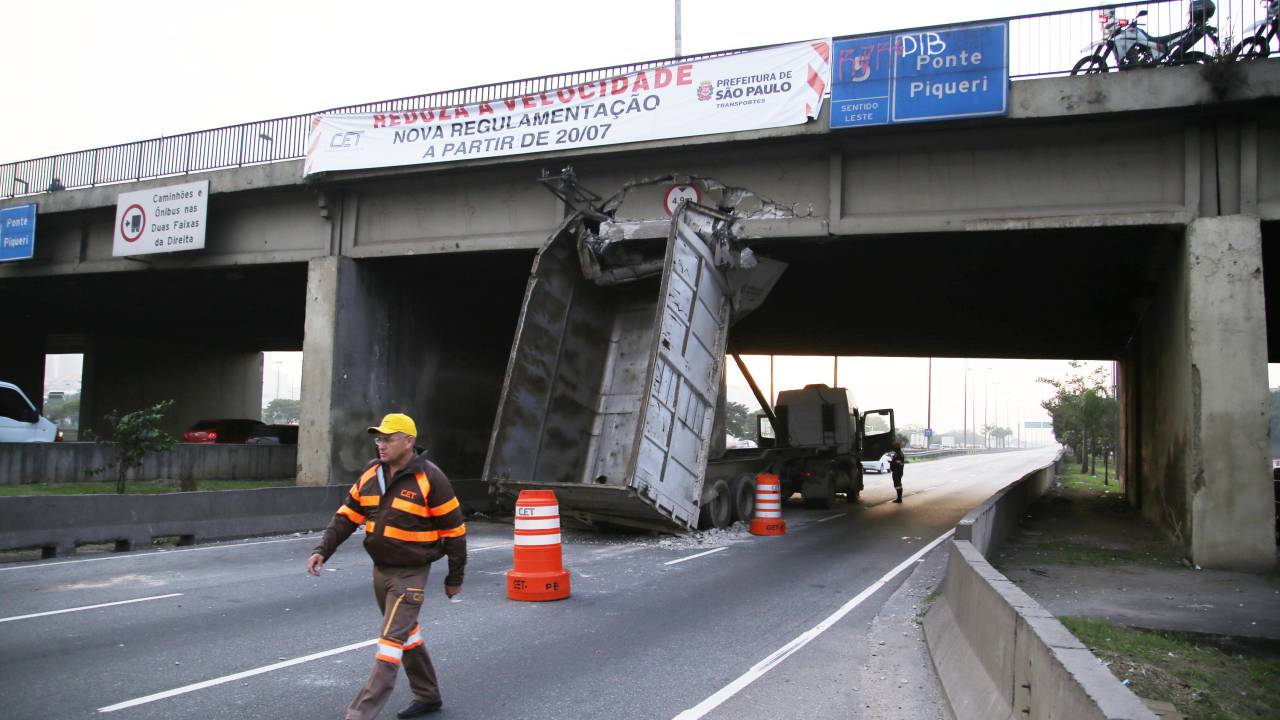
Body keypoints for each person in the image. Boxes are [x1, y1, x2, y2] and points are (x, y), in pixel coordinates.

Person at [307, 413, 467, 719]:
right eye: (379, 438)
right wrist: (322, 550)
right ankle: (428, 695)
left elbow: (455, 533)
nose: (381, 445)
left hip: (411, 574)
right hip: (381, 571)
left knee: (390, 643)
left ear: (409, 442)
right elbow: (347, 516)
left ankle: (360, 713)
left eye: (388, 438)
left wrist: (454, 578)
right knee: (408, 634)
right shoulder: (371, 473)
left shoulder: (431, 479)